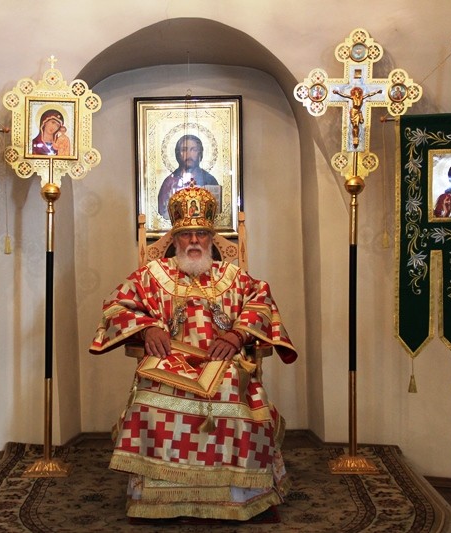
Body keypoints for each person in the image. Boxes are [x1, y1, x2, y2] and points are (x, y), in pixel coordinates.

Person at [90, 186, 298, 521]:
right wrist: (147, 328)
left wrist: (237, 334)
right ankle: (157, 498)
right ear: (174, 239)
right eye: (186, 234)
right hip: (169, 361)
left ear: (212, 238)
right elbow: (116, 307)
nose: (194, 241)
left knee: (233, 388)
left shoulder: (232, 276)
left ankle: (239, 496)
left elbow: (262, 302)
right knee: (151, 396)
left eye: (201, 233)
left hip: (222, 362)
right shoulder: (151, 276)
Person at [157, 134, 219, 220]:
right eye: (184, 150)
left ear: (200, 153)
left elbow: (215, 213)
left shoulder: (209, 180)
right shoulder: (169, 182)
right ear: (178, 154)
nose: (189, 155)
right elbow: (163, 214)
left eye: (194, 150)